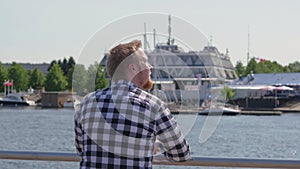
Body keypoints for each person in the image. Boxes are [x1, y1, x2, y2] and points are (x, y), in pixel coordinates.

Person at [74, 40, 190, 169]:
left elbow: (81, 149)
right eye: (145, 62)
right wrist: (152, 145)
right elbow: (181, 154)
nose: (150, 67)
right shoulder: (153, 106)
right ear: (132, 68)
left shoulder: (86, 103)